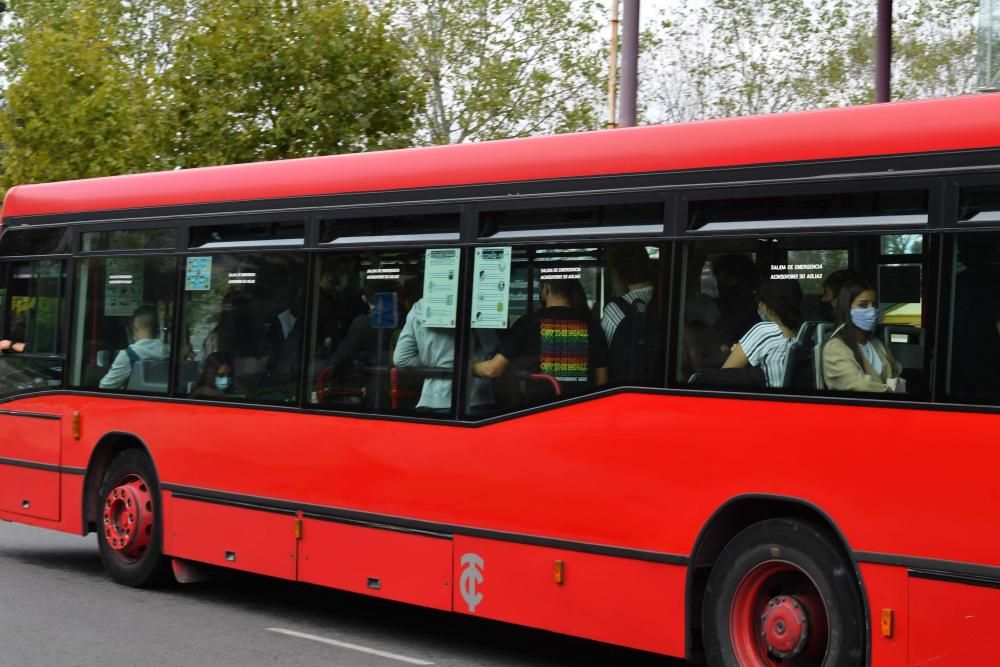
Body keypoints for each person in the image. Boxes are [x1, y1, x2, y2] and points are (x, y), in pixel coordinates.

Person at [473, 277, 609, 395]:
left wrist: (466, 367)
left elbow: (493, 369)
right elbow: (602, 382)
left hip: (538, 411)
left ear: (546, 288)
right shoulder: (592, 326)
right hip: (581, 411)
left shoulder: (527, 323)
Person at [393, 298, 492, 413]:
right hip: (473, 398)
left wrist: (434, 364)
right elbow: (491, 350)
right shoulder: (475, 303)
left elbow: (402, 359)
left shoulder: (418, 308)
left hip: (429, 399)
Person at [822, 279, 903, 393]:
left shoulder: (877, 344)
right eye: (863, 305)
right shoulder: (835, 348)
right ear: (847, 308)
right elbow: (857, 386)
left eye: (874, 305)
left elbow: (896, 374)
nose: (872, 310)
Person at [722, 278, 803, 388]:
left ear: (767, 306)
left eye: (760, 301)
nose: (759, 306)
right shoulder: (797, 334)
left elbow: (724, 375)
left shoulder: (766, 332)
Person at [99, 305, 167, 389]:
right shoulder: (168, 352)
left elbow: (105, 387)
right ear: (157, 328)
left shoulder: (128, 356)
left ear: (134, 328)